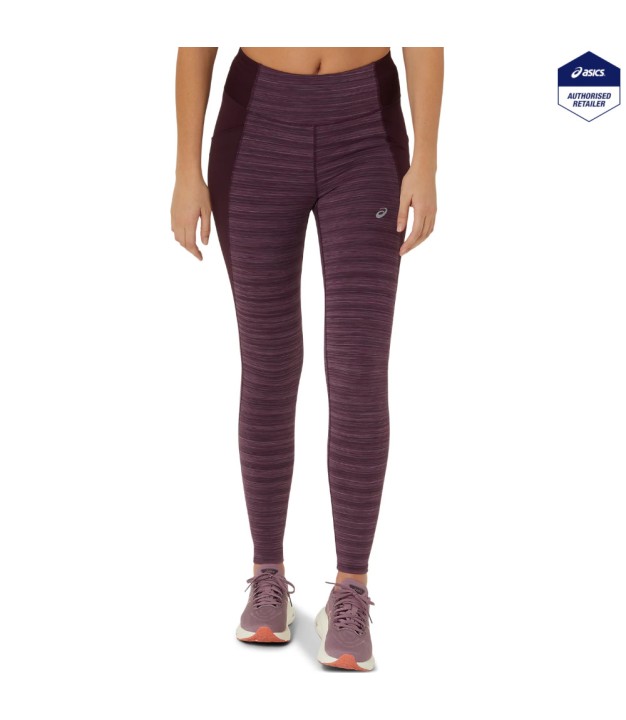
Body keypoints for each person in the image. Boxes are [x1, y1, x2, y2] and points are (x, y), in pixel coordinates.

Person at [170, 46, 443, 671]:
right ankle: (267, 576)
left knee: (358, 368)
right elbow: (195, 31)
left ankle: (351, 590)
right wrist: (186, 168)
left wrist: (425, 161)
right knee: (268, 364)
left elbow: (427, 27)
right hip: (256, 129)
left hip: (367, 131)